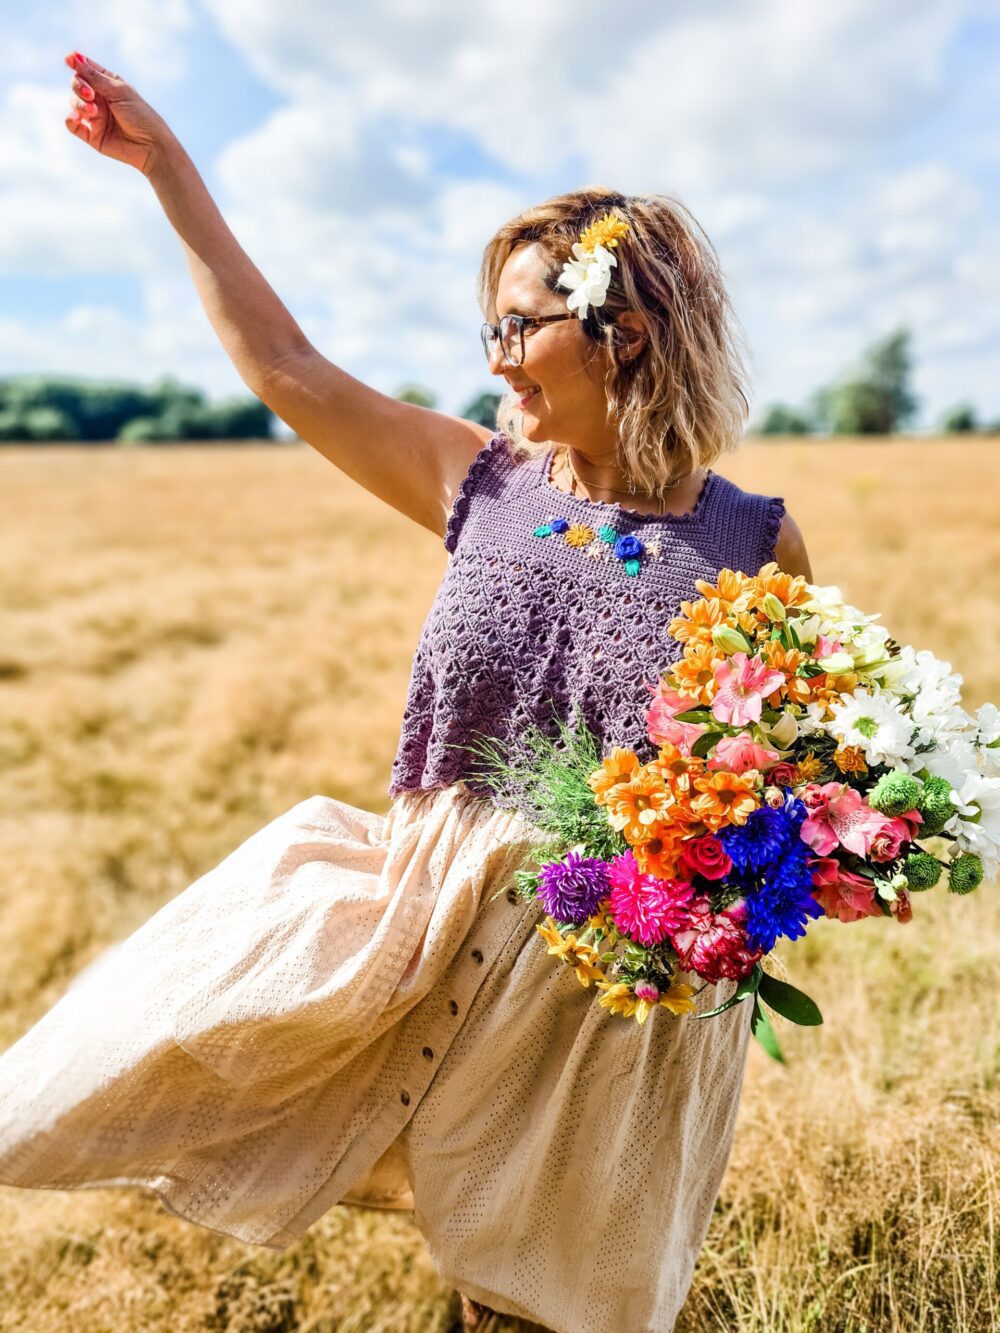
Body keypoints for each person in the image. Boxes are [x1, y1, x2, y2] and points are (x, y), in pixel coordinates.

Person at [0, 53, 813, 1333]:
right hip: (423, 918)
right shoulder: (477, 479)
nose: (494, 358)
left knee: (554, 1300)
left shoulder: (753, 546)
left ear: (627, 329)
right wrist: (171, 174)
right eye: (486, 327)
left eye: (518, 324)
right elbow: (284, 365)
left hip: (608, 981)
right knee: (126, 1060)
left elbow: (789, 781)